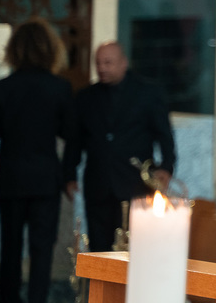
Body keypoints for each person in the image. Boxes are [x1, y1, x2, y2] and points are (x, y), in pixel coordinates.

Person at [0, 19, 75, 303]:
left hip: (10, 179)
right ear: (50, 49)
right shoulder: (60, 88)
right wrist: (67, 175)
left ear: (14, 51)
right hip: (44, 181)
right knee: (41, 250)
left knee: (10, 248)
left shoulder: (0, 89)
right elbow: (69, 134)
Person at [64, 42, 176, 252]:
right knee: (99, 248)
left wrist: (166, 166)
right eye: (98, 63)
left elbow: (164, 135)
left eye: (108, 63)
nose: (102, 68)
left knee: (135, 246)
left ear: (123, 63)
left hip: (135, 184)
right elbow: (75, 140)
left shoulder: (148, 93)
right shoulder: (85, 98)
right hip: (98, 185)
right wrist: (69, 174)